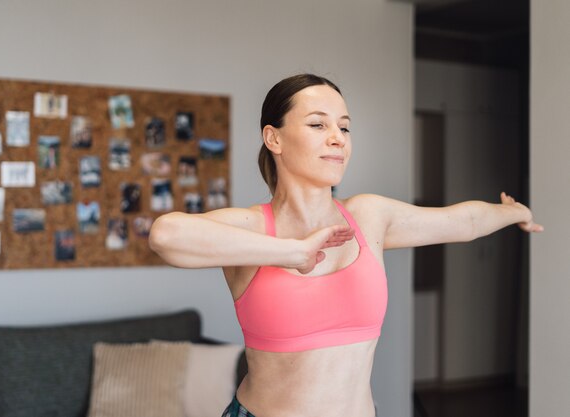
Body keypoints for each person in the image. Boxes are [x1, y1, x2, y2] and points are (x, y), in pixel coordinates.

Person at [148, 74, 543, 417]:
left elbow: (465, 221)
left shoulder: (369, 216)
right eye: (318, 125)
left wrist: (513, 212)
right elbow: (165, 236)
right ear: (274, 138)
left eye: (345, 127)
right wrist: (292, 252)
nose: (337, 138)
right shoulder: (253, 227)